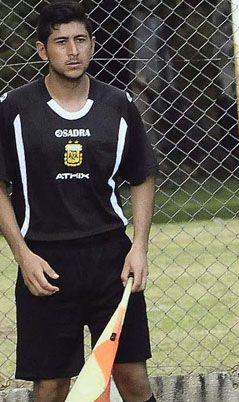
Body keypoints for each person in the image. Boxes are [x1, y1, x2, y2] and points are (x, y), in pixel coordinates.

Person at [0, 1, 157, 401]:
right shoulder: (15, 110)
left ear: (92, 45)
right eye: (61, 42)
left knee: (131, 376)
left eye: (80, 40)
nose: (72, 51)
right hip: (46, 263)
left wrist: (138, 246)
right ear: (41, 50)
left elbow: (142, 177)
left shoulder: (118, 105)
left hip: (110, 259)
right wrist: (23, 255)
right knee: (52, 384)